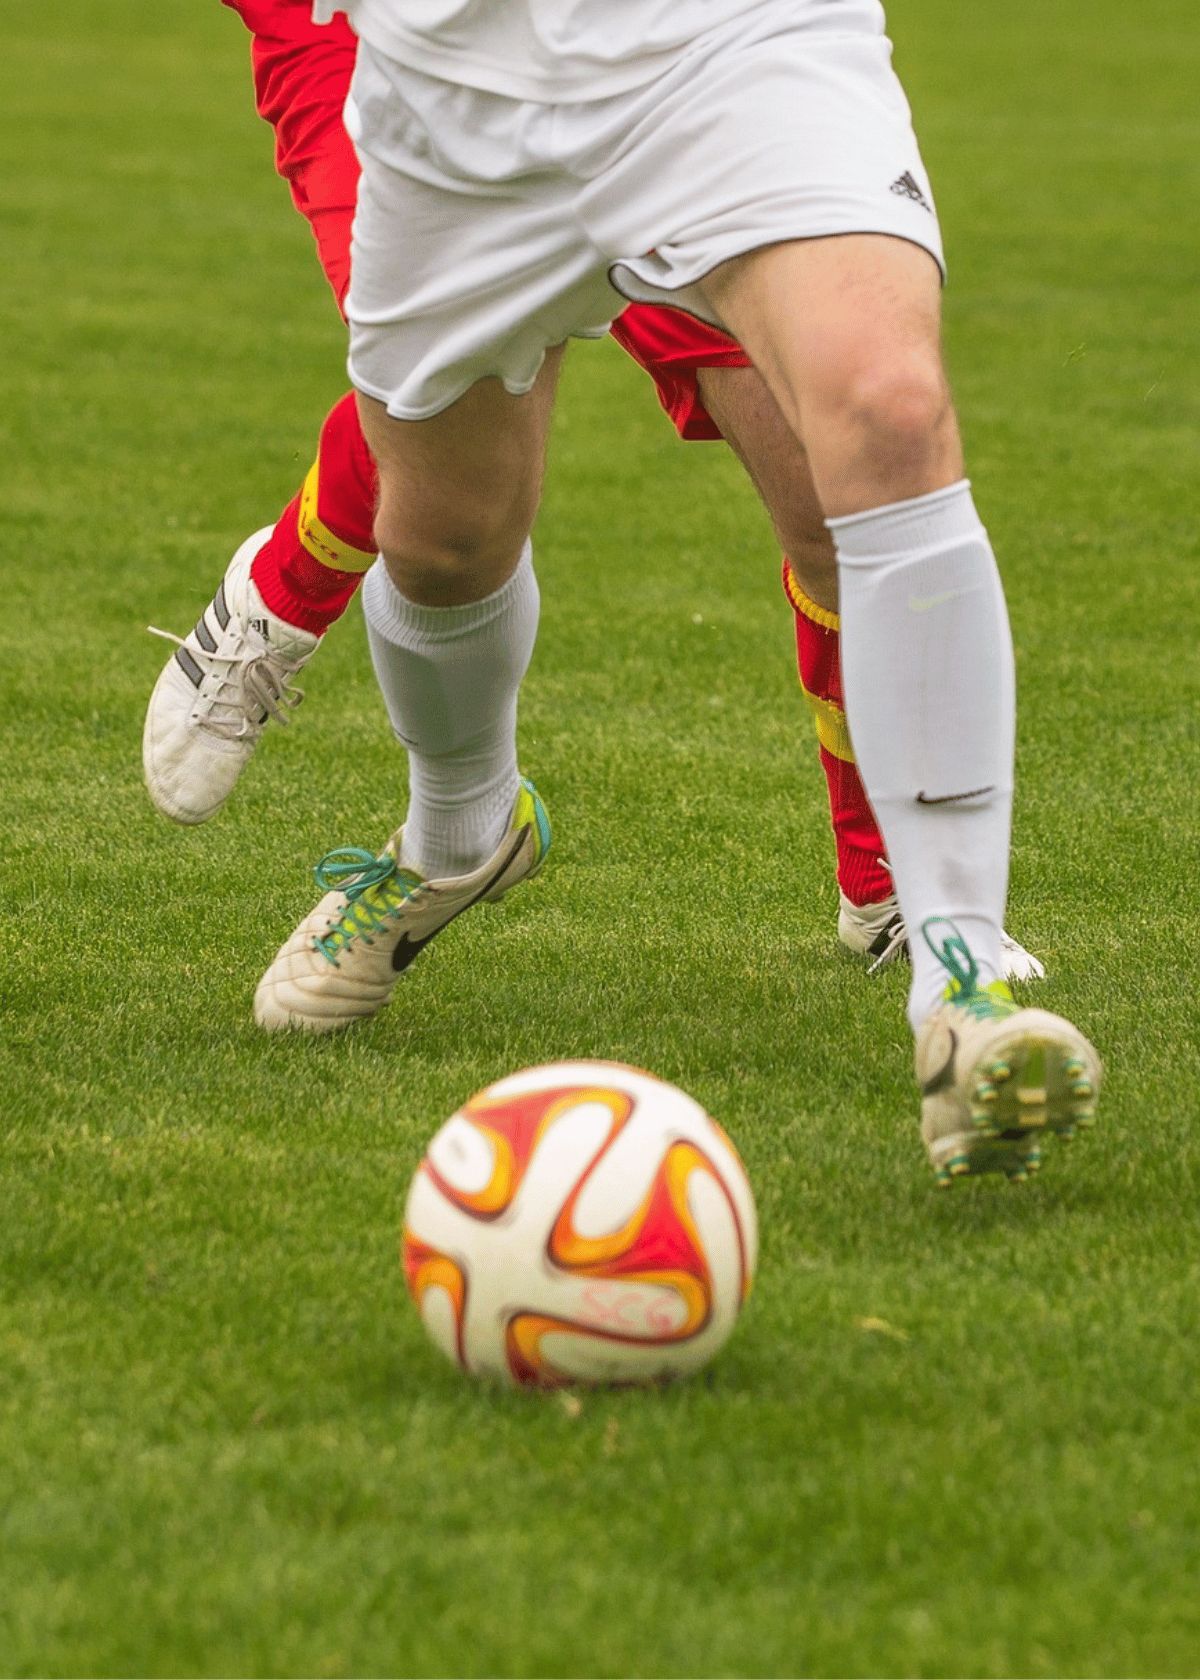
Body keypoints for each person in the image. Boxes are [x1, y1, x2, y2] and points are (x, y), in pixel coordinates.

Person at [144, 0, 1045, 984]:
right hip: (406, 48)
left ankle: (911, 908)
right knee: (440, 491)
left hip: (692, 45)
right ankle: (432, 799)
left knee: (844, 460)